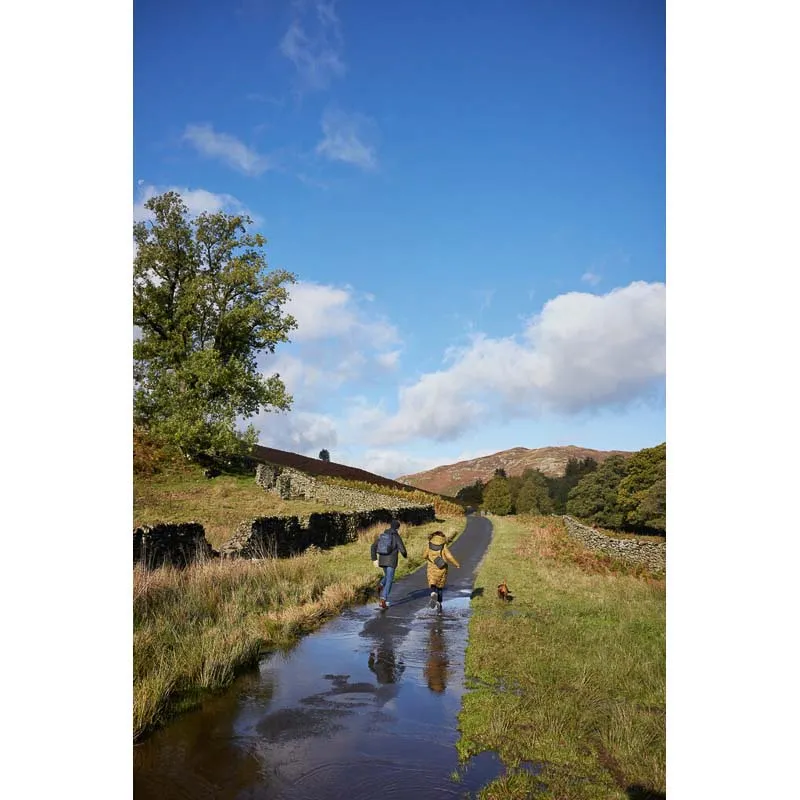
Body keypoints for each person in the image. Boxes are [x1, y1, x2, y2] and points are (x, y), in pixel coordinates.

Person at [370, 519, 408, 609]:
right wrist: (405, 555)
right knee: (390, 580)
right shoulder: (396, 536)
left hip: (382, 560)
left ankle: (380, 586)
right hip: (391, 561)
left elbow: (373, 546)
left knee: (387, 576)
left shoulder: (383, 535)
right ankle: (383, 599)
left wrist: (374, 559)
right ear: (397, 528)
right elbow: (402, 549)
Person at [423, 530, 460, 612]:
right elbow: (449, 556)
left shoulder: (429, 544)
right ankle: (439, 603)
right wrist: (456, 564)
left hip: (431, 567)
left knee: (432, 582)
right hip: (442, 568)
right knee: (440, 586)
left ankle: (432, 593)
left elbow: (424, 555)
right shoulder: (443, 545)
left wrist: (429, 558)